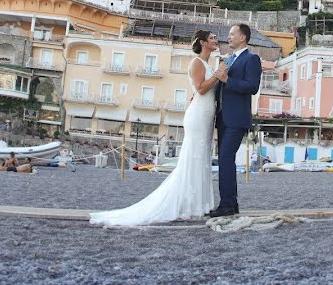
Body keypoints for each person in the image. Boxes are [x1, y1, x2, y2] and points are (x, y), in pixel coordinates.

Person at [91, 30, 223, 226]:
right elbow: (201, 88)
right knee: (193, 157)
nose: (215, 41)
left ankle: (199, 204)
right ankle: (189, 204)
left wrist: (217, 75)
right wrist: (218, 75)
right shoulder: (196, 62)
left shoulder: (208, 64)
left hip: (206, 115)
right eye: (212, 38)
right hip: (198, 116)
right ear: (203, 43)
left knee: (202, 158)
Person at [210, 23, 262, 218]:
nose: (228, 37)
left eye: (232, 34)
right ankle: (231, 204)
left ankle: (226, 204)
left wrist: (227, 80)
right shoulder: (229, 59)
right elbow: (220, 87)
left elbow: (252, 86)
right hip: (222, 117)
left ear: (243, 37)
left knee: (225, 158)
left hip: (237, 118)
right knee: (225, 160)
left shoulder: (252, 59)